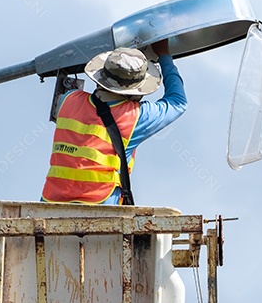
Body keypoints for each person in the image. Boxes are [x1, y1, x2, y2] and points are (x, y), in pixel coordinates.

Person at [41, 39, 186, 204]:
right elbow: (178, 102)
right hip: (100, 207)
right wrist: (164, 55)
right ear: (135, 90)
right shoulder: (135, 116)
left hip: (51, 202)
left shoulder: (67, 99)